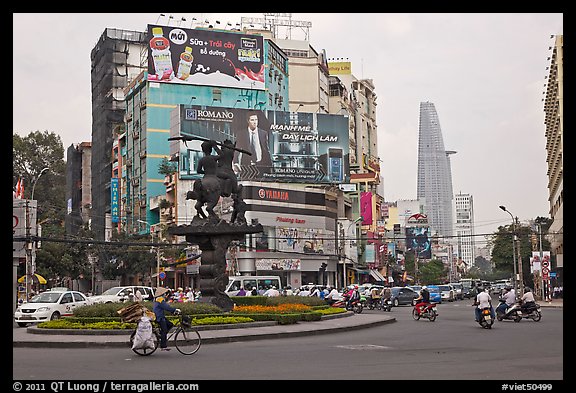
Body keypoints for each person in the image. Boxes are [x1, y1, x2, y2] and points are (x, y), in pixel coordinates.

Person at [153, 287, 181, 351]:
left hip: (160, 316)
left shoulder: (158, 299)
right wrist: (174, 310)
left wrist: (172, 311)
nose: (166, 295)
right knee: (164, 330)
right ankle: (163, 346)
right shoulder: (159, 299)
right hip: (159, 317)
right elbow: (166, 307)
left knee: (170, 324)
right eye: (165, 293)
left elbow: (165, 307)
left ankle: (162, 335)